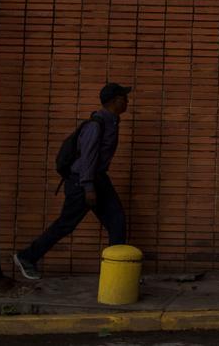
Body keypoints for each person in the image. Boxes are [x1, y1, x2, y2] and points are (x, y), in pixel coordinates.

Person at [13, 83, 131, 280]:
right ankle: (26, 256)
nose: (127, 101)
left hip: (99, 179)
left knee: (117, 221)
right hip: (83, 182)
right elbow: (88, 158)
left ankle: (116, 272)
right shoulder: (96, 125)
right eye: (124, 97)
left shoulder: (112, 121)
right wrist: (88, 187)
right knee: (66, 224)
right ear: (114, 101)